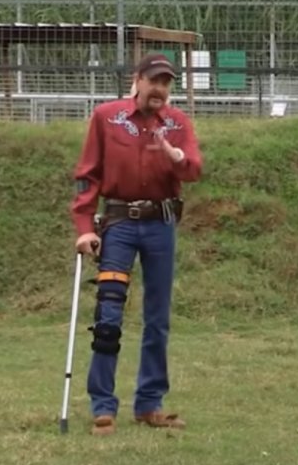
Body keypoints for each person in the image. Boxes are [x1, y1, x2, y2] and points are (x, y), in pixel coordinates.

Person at [70, 52, 203, 436]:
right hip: (118, 226)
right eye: (154, 81)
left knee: (157, 317)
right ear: (138, 80)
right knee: (109, 315)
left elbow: (194, 168)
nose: (159, 89)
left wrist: (176, 157)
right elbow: (87, 176)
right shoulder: (106, 118)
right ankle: (102, 405)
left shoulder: (177, 123)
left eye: (166, 83)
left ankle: (149, 404)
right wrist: (84, 226)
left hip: (161, 225)